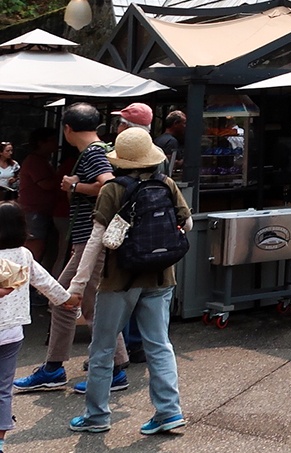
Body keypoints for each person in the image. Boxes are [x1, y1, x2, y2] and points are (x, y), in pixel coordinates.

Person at [65, 127, 190, 435]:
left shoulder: (113, 190)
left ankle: (97, 415)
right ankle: (168, 412)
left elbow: (96, 241)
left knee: (103, 348)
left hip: (119, 279)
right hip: (161, 276)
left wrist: (78, 286)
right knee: (159, 345)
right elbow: (186, 222)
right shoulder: (167, 183)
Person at [16, 104, 130, 394]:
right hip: (87, 240)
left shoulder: (92, 153)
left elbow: (109, 186)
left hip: (92, 240)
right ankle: (55, 368)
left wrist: (75, 186)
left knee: (89, 306)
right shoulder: (103, 148)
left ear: (67, 129)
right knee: (63, 298)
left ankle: (114, 369)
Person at [0, 202, 79, 450]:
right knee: (3, 389)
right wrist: (66, 300)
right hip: (12, 333)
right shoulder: (25, 255)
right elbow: (45, 282)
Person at [18, 128, 59, 268]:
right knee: (35, 246)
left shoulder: (41, 160)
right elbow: (46, 184)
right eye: (52, 140)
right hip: (34, 211)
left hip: (40, 211)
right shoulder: (35, 161)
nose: (56, 143)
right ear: (41, 143)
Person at [154, 111, 188, 176]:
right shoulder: (171, 141)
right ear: (175, 124)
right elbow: (170, 165)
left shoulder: (158, 139)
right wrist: (182, 162)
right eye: (184, 123)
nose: (185, 126)